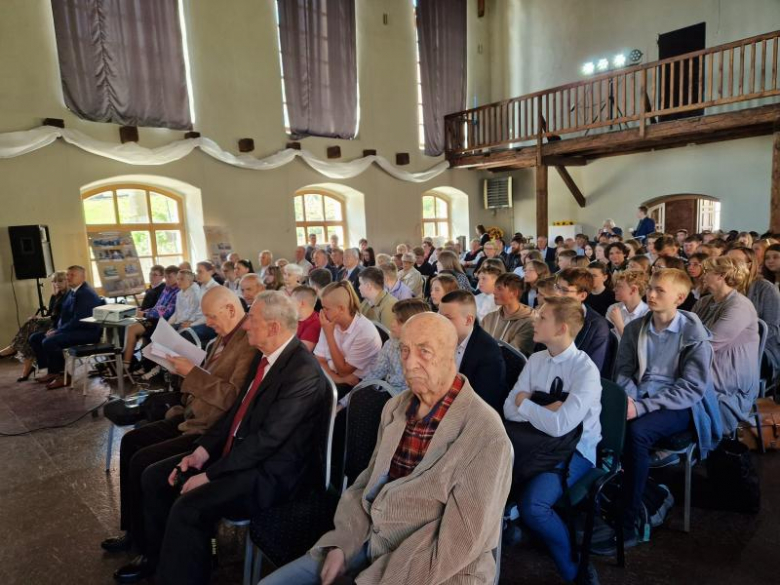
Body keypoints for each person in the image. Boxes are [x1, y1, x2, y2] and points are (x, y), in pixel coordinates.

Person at [260, 312, 512, 585]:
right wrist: (341, 544)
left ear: (452, 354)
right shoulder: (397, 407)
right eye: (404, 350)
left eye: (424, 351)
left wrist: (371, 580)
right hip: (368, 538)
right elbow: (367, 483)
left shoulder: (485, 434)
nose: (410, 362)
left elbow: (458, 544)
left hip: (433, 568)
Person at [123, 292, 329, 585]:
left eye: (252, 320)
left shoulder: (303, 372)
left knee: (189, 506)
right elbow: (234, 414)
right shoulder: (265, 356)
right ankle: (157, 562)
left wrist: (210, 475)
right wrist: (203, 452)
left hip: (270, 473)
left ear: (272, 327)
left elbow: (268, 441)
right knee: (159, 477)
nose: (245, 326)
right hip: (242, 454)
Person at [104, 288, 255, 568]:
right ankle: (133, 532)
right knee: (131, 443)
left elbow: (232, 397)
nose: (207, 322)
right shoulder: (223, 337)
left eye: (211, 316)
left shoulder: (248, 342)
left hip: (208, 427)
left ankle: (153, 553)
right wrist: (182, 369)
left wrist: (191, 372)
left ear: (231, 310)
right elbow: (210, 378)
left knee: (146, 465)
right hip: (190, 413)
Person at [593, 268, 721, 555]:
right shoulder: (638, 328)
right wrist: (626, 398)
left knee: (637, 433)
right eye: (650, 288)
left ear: (680, 297)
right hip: (639, 397)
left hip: (679, 404)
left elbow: (690, 388)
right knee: (594, 420)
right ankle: (596, 504)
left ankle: (627, 524)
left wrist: (641, 406)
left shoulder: (693, 335)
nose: (650, 294)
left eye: (659, 290)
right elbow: (624, 370)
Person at [504, 296, 602, 585]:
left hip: (575, 451)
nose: (535, 320)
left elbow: (562, 427)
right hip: (534, 444)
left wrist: (528, 404)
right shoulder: (536, 359)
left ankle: (575, 569)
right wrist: (547, 408)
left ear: (561, 329)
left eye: (543, 317)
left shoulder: (585, 370)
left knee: (535, 507)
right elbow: (509, 409)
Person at [693, 257, 760, 433]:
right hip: (706, 364)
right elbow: (685, 331)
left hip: (728, 377)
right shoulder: (704, 302)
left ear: (721, 275)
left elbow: (707, 344)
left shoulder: (739, 306)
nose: (703, 275)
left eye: (707, 272)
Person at [336, 298, 430, 397]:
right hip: (388, 395)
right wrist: (346, 401)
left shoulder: (426, 354)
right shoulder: (390, 345)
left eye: (399, 322)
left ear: (414, 326)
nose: (392, 324)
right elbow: (373, 376)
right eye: (394, 319)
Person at [30, 265, 102, 389]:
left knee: (50, 341)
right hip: (74, 329)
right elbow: (64, 316)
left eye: (72, 275)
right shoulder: (73, 291)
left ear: (82, 277)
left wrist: (58, 332)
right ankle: (52, 371)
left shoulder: (85, 293)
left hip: (87, 332)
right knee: (35, 338)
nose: (68, 277)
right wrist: (54, 329)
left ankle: (63, 377)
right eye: (68, 275)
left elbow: (79, 320)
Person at [438, 290, 507, 412]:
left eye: (448, 318)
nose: (441, 323)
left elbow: (483, 402)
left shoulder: (488, 353)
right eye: (440, 317)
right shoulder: (442, 338)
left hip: (472, 416)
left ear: (468, 320)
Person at [1, 271, 68, 382]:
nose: (57, 284)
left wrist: (41, 318)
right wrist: (39, 317)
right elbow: (50, 315)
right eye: (54, 281)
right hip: (51, 322)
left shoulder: (69, 296)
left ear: (67, 281)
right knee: (31, 327)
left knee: (31, 329)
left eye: (60, 281)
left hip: (59, 325)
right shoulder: (54, 296)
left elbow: (58, 318)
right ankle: (24, 361)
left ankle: (14, 350)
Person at [315, 281, 382, 387]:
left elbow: (344, 371)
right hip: (337, 377)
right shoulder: (330, 322)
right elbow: (319, 360)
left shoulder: (365, 333)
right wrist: (338, 379)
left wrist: (329, 335)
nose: (322, 313)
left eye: (326, 308)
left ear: (341, 309)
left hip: (359, 383)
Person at [726, 246, 780, 371]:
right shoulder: (724, 287)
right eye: (727, 261)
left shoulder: (766, 289)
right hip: (725, 344)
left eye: (735, 261)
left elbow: (772, 329)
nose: (729, 265)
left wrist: (736, 342)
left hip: (762, 349)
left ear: (749, 265)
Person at [554, 268, 611, 375]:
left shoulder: (597, 325)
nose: (557, 294)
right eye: (557, 287)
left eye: (564, 290)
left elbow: (591, 369)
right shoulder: (551, 314)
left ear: (582, 296)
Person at [123, 266, 180, 369]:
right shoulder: (167, 288)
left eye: (169, 277)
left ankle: (125, 365)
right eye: (166, 277)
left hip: (162, 322)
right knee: (128, 327)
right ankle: (130, 361)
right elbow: (157, 307)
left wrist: (145, 314)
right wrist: (144, 312)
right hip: (154, 318)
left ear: (177, 277)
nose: (166, 279)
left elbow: (166, 312)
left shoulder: (177, 292)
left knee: (131, 329)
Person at [482, 273, 535, 355]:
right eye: (495, 288)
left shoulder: (529, 323)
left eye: (499, 289)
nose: (494, 292)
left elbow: (512, 355)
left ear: (514, 293)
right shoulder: (489, 318)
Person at [606, 270, 650, 339]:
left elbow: (635, 346)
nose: (614, 289)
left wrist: (619, 323)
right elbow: (607, 339)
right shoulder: (613, 308)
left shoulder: (648, 314)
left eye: (619, 286)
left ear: (633, 290)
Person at [291, 286, 321, 352]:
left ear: (302, 303)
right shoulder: (295, 317)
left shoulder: (315, 324)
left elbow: (301, 353)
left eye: (292, 301)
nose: (289, 304)